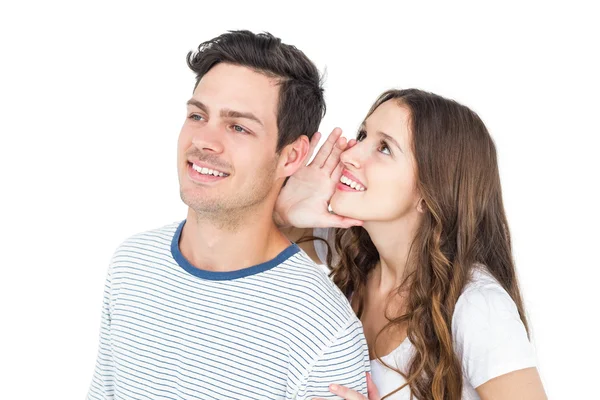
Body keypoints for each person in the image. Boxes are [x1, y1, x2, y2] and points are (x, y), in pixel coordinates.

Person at [86, 30, 370, 400]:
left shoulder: (322, 327)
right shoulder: (131, 265)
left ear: (291, 157)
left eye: (238, 127)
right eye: (197, 115)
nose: (204, 140)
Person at [275, 89, 547, 399]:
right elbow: (249, 241)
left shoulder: (477, 307)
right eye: (363, 135)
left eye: (384, 148)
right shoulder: (352, 249)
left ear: (429, 191)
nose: (350, 154)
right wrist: (284, 210)